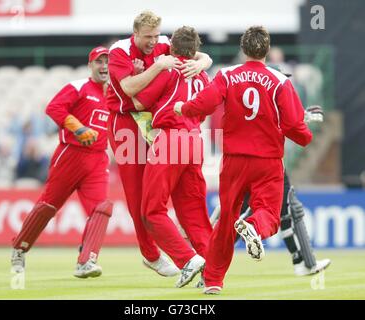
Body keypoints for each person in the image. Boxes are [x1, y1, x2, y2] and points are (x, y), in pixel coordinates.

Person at [174, 26, 313, 294]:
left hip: (234, 161)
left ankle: (213, 281)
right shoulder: (280, 81)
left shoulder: (227, 75)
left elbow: (205, 103)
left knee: (226, 221)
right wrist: (306, 137)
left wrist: (184, 108)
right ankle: (251, 225)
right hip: (268, 161)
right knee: (270, 215)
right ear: (267, 49)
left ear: (243, 48)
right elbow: (295, 125)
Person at [107, 10, 212, 277]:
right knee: (136, 194)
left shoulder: (164, 44)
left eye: (156, 36)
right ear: (135, 34)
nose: (154, 42)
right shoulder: (119, 52)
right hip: (127, 120)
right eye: (147, 37)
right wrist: (158, 66)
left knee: (155, 198)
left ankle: (186, 257)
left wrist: (204, 63)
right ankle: (152, 254)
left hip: (158, 122)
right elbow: (130, 90)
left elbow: (194, 54)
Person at [11, 46, 112, 279]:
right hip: (70, 154)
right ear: (91, 65)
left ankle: (86, 261)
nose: (104, 66)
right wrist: (78, 128)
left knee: (101, 208)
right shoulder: (79, 87)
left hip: (97, 158)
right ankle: (20, 248)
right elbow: (53, 107)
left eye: (108, 61)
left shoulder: (114, 95)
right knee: (48, 207)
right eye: (99, 61)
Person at [132, 26, 213, 288]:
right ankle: (212, 275)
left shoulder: (167, 69)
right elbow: (209, 107)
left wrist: (138, 74)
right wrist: (204, 62)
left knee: (151, 211)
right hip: (195, 142)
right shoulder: (203, 76)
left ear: (172, 47)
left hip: (170, 139)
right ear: (195, 49)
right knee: (195, 214)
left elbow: (138, 101)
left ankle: (188, 259)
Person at [209, 106, 331, 277]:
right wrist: (302, 116)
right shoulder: (272, 84)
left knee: (281, 207)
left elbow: (269, 113)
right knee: (268, 210)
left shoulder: (251, 86)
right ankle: (208, 256)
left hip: (247, 156)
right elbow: (275, 116)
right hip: (266, 159)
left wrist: (300, 115)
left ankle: (301, 261)